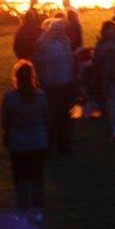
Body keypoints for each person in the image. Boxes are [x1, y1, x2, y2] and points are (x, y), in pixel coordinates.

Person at [1, 60, 49, 215]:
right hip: (37, 141)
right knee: (36, 175)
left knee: (20, 176)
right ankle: (38, 207)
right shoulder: (40, 96)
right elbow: (47, 117)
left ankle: (23, 206)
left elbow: (5, 121)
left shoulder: (10, 97)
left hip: (18, 143)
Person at [33, 16, 78, 155]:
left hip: (65, 84)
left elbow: (69, 61)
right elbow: (37, 62)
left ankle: (64, 145)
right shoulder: (44, 44)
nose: (65, 31)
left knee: (64, 116)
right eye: (63, 29)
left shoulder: (64, 42)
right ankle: (49, 146)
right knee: (51, 116)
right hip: (51, 85)